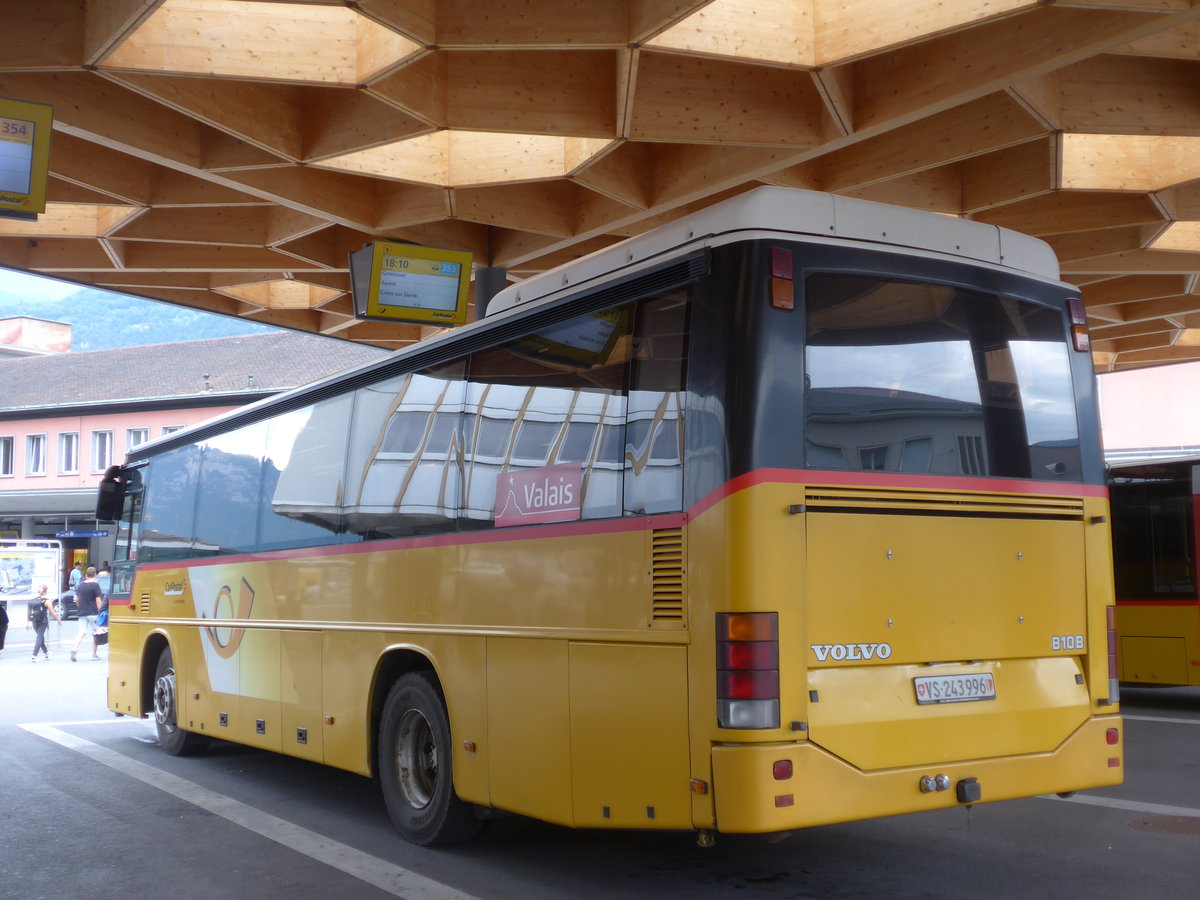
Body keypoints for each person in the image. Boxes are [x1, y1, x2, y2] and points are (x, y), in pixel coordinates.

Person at [70, 566, 106, 662]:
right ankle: (94, 654)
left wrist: (80, 606)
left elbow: (77, 599)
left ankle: (74, 649)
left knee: (81, 632)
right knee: (95, 633)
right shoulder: (95, 585)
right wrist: (100, 611)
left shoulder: (81, 585)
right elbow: (98, 601)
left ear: (86, 575)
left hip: (82, 612)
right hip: (93, 612)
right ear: (95, 575)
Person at [27, 583, 60, 662]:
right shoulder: (46, 601)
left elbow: (28, 612)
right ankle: (34, 655)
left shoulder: (33, 600)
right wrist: (58, 620)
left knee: (40, 637)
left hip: (34, 621)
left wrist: (27, 622)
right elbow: (53, 613)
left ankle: (46, 653)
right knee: (39, 637)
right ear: (46, 591)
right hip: (42, 621)